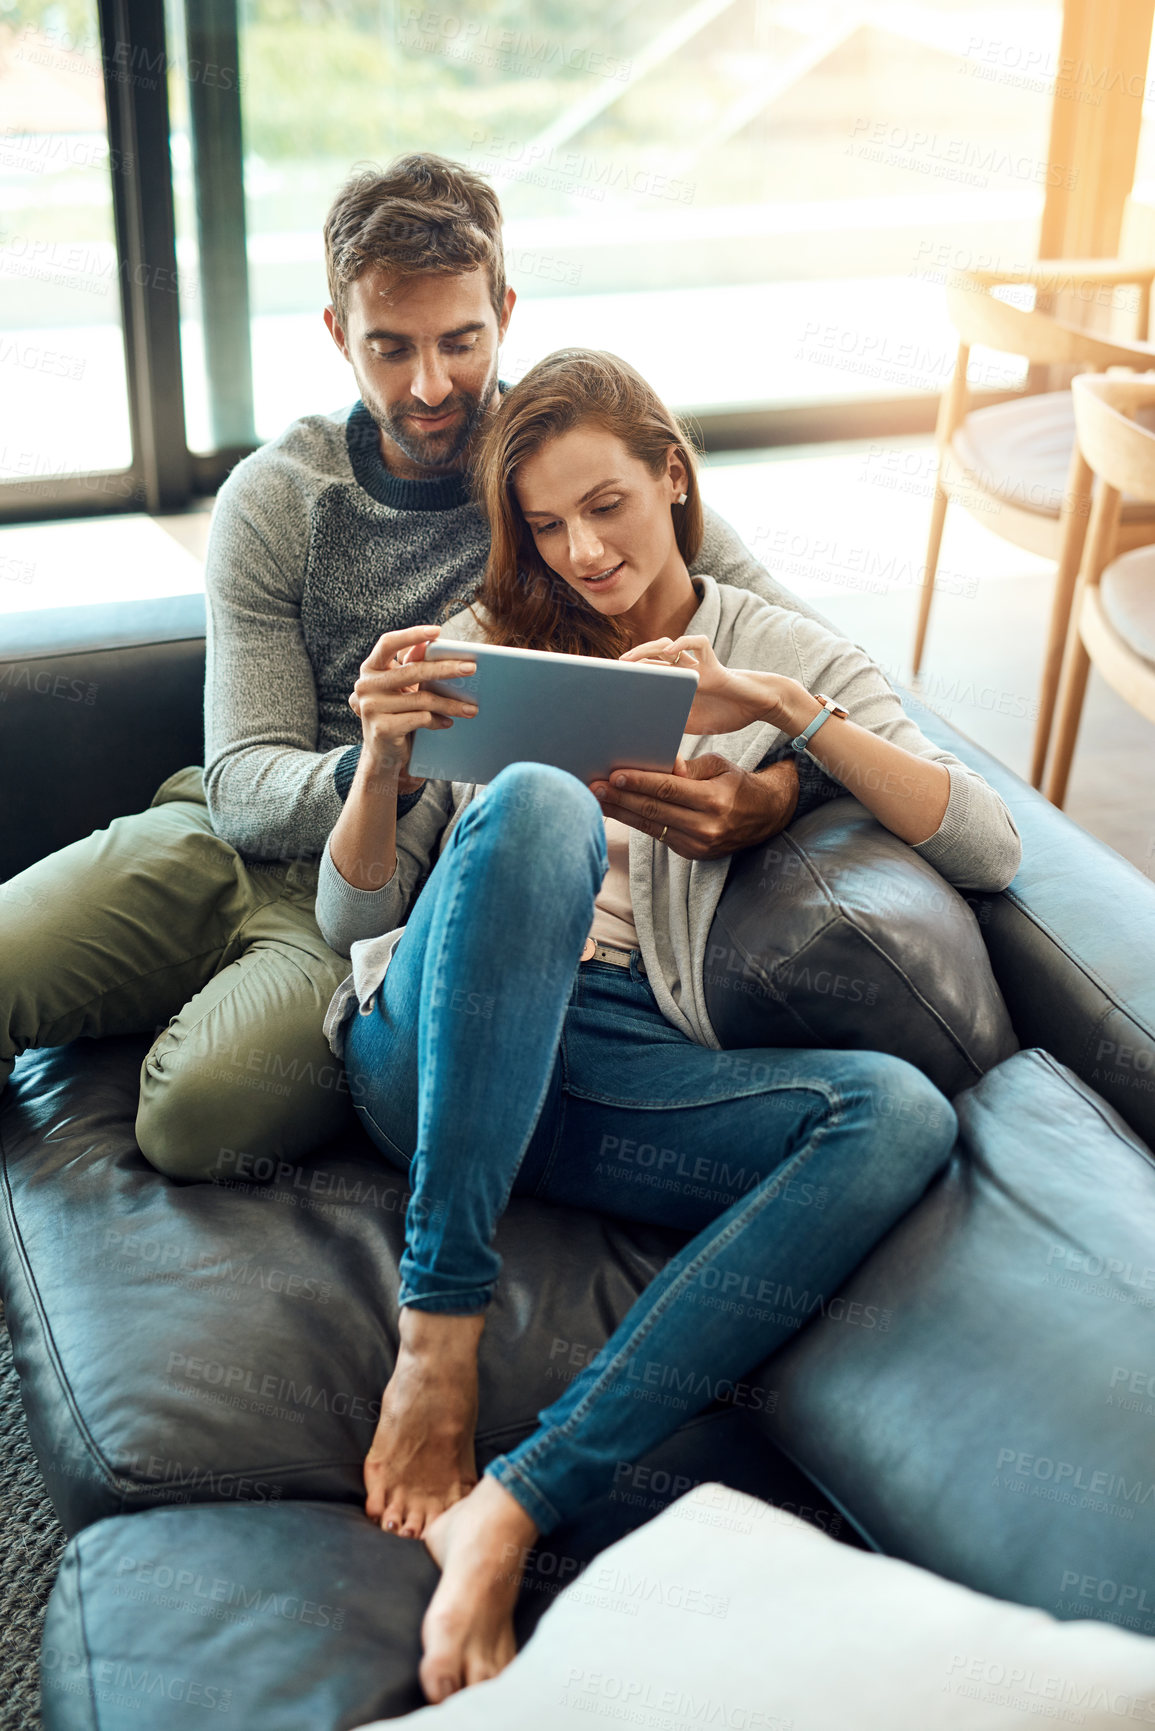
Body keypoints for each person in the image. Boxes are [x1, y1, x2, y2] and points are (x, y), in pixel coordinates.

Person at [314, 348, 1022, 1702]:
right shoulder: (484, 641)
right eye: (545, 523)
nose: (582, 550)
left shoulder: (771, 642)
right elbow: (349, 921)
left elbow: (985, 839)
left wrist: (784, 721)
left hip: (609, 1070)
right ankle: (437, 1327)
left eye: (608, 505)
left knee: (896, 1114)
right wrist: (382, 763)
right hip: (428, 1048)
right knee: (537, 805)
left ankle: (517, 1500)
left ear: (671, 475)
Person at [0, 154, 811, 1178]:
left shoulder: (573, 478)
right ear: (340, 333)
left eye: (460, 343)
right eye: (390, 348)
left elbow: (815, 671)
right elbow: (243, 786)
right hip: (219, 838)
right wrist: (380, 756)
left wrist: (774, 791)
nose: (430, 386)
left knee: (195, 1121)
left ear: (506, 314)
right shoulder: (280, 495)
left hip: (385, 898)